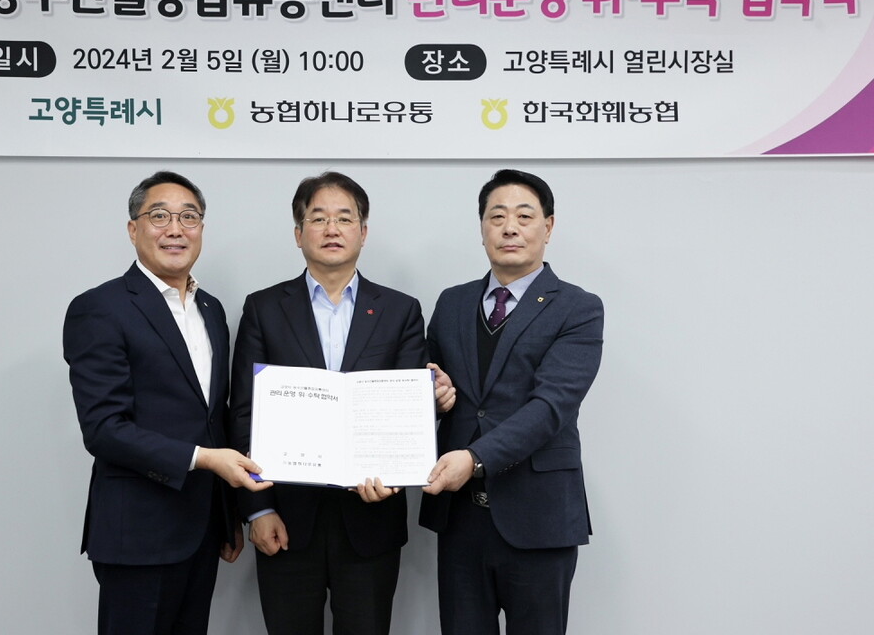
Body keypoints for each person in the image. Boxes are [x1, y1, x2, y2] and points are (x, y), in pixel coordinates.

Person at [230, 171, 455, 635]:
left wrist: (393, 475)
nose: (331, 229)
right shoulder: (264, 308)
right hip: (285, 518)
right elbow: (244, 414)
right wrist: (259, 509)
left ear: (363, 232)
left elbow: (410, 413)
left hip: (371, 518)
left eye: (344, 218)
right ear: (299, 234)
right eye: (318, 218)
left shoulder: (400, 310)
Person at [63, 171, 272, 635]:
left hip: (201, 530)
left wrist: (228, 514)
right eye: (159, 216)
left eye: (188, 217)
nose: (175, 229)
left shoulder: (211, 309)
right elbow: (104, 428)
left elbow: (213, 418)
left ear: (201, 229)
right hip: (138, 534)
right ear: (133, 228)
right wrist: (205, 460)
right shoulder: (100, 308)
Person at [420, 169, 604, 635]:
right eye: (496, 216)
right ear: (482, 227)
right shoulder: (452, 303)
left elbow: (551, 407)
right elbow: (431, 386)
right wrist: (433, 396)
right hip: (460, 518)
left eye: (524, 216)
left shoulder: (578, 308)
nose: (509, 228)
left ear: (548, 226)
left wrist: (474, 458)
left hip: (539, 516)